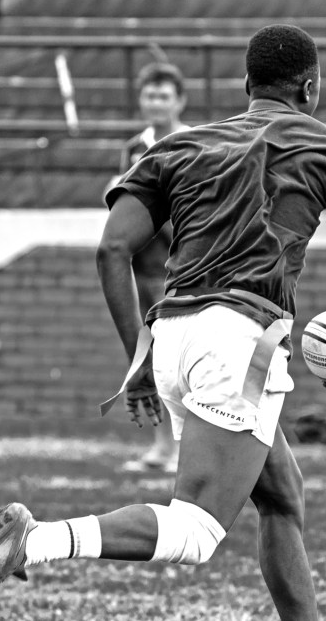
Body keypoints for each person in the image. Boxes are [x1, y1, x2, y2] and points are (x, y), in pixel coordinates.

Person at [0, 24, 326, 620]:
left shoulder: (182, 145)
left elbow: (112, 249)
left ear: (246, 84)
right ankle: (35, 541)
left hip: (172, 337)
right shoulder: (323, 145)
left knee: (282, 496)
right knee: (196, 531)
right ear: (311, 88)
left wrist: (137, 361)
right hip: (242, 342)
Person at [111, 61, 190, 474]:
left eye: (164, 95)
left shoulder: (192, 142)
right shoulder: (133, 146)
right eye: (150, 95)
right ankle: (162, 446)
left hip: (176, 267)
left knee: (180, 362)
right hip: (138, 265)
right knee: (150, 359)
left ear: (180, 100)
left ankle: (183, 449)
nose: (156, 103)